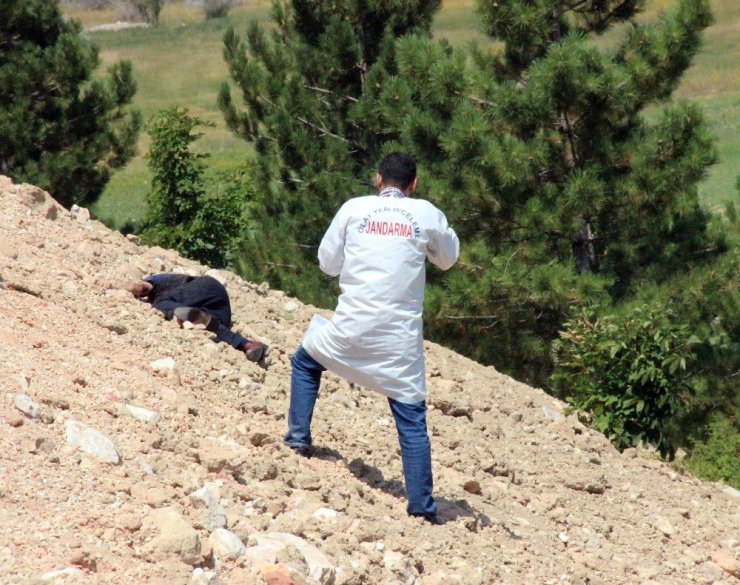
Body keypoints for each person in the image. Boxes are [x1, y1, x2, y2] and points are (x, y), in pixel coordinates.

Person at [284, 152, 459, 523]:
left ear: (378, 179)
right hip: (398, 340)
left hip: (351, 328)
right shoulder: (425, 213)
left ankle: (297, 440)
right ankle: (422, 508)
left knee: (305, 361)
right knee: (411, 416)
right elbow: (447, 259)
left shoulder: (353, 208)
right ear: (414, 185)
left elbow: (327, 264)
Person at [126, 273, 268, 365]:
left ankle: (181, 313)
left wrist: (126, 287)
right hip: (218, 307)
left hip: (205, 286)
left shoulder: (159, 281)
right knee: (212, 325)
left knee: (160, 303)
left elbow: (143, 287)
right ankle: (248, 345)